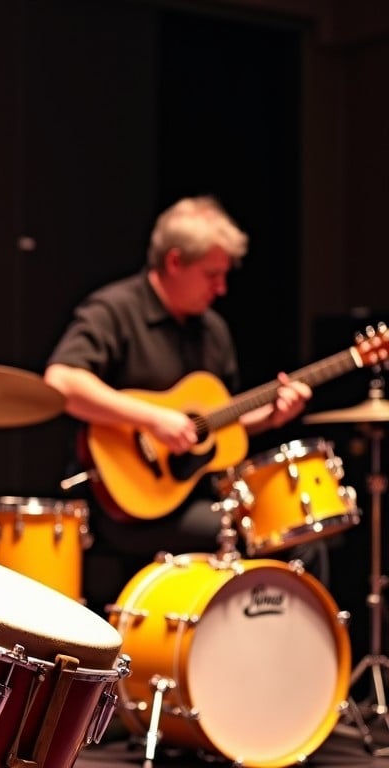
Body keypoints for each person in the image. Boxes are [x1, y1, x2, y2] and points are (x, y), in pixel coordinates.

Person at [43, 195, 318, 615]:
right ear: (174, 262)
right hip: (123, 505)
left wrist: (273, 416)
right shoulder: (115, 310)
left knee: (299, 535)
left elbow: (221, 426)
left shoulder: (213, 331)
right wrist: (152, 418)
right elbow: (61, 381)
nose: (221, 288)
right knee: (253, 535)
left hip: (193, 495)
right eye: (212, 275)